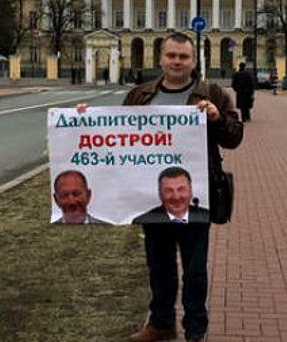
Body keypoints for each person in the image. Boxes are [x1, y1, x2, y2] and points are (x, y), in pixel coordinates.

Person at [123, 32, 243, 342]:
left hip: (194, 197)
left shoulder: (212, 93)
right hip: (152, 197)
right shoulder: (140, 95)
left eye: (184, 57)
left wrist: (216, 119)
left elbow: (234, 137)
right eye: (172, 55)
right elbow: (117, 137)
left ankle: (195, 331)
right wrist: (85, 120)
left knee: (195, 272)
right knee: (159, 265)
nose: (177, 62)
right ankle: (162, 322)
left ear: (193, 60)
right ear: (161, 58)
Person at [132, 167, 209, 224]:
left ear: (191, 190)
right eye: (169, 191)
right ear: (160, 193)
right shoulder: (143, 221)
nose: (176, 197)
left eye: (181, 189)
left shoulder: (207, 217)